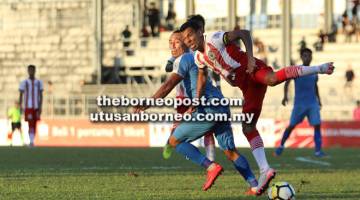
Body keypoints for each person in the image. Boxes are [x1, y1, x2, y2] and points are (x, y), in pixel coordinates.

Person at [179, 20, 334, 195]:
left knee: (272, 79)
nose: (188, 40)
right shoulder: (198, 57)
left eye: (190, 35)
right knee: (248, 127)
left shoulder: (214, 38)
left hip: (251, 69)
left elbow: (243, 33)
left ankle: (318, 68)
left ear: (200, 31)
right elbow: (202, 75)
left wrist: (251, 58)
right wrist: (198, 99)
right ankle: (265, 170)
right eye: (184, 38)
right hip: (246, 86)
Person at [135, 31, 258, 195]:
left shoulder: (184, 59)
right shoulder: (198, 57)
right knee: (230, 151)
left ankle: (211, 166)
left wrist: (147, 103)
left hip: (208, 109)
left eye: (177, 41)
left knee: (174, 141)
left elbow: (168, 86)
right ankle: (254, 184)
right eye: (170, 41)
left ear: (186, 43)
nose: (172, 45)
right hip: (221, 105)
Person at [164, 15, 218, 161]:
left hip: (202, 94)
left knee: (208, 130)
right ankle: (175, 144)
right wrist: (176, 59)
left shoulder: (204, 49)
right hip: (183, 96)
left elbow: (212, 70)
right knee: (177, 130)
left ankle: (210, 158)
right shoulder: (183, 49)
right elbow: (168, 67)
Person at [274, 48, 326, 157]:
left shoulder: (314, 71)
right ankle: (281, 146)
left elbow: (315, 85)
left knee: (317, 125)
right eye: (305, 55)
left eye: (309, 55)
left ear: (311, 57)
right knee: (291, 126)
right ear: (301, 57)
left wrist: (319, 100)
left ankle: (318, 151)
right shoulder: (297, 70)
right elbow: (287, 82)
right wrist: (285, 96)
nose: (307, 57)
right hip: (299, 105)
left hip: (312, 103)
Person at [19, 65, 43, 147]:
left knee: (34, 123)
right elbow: (21, 95)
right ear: (28, 71)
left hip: (36, 106)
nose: (31, 72)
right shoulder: (24, 82)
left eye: (33, 70)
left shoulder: (39, 82)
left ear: (35, 71)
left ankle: (32, 141)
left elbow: (41, 95)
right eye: (30, 70)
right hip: (28, 106)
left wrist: (40, 106)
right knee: (30, 123)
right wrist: (20, 105)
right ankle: (31, 141)